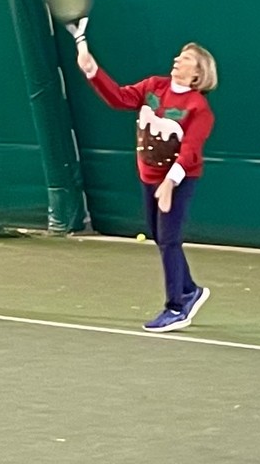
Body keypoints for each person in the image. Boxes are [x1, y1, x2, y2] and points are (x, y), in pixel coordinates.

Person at [75, 38, 217, 331]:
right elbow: (119, 98)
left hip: (179, 180)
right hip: (148, 176)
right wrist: (92, 71)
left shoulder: (198, 108)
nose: (177, 60)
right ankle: (190, 289)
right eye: (178, 56)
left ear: (198, 73)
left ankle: (176, 308)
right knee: (159, 236)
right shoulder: (154, 86)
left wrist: (170, 183)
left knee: (169, 239)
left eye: (186, 58)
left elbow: (190, 151)